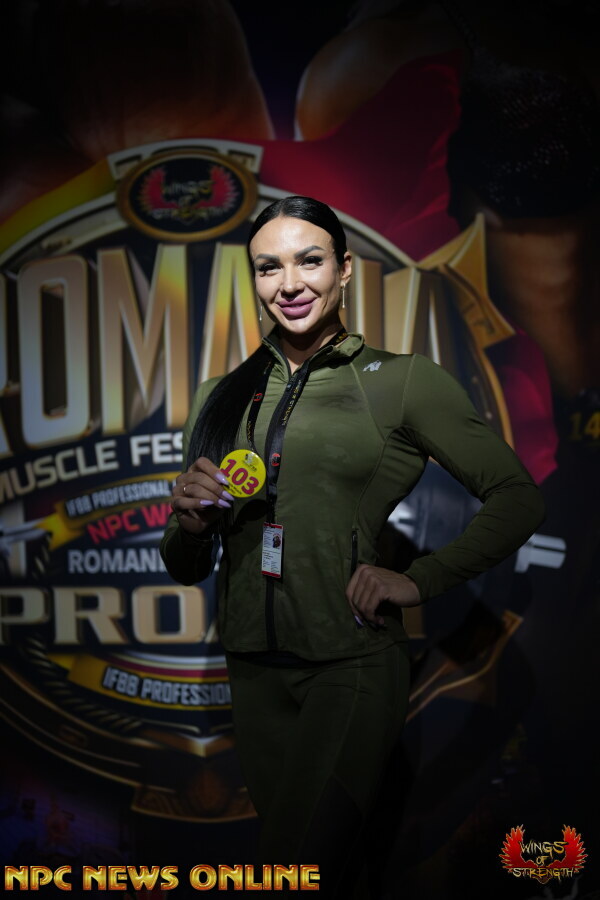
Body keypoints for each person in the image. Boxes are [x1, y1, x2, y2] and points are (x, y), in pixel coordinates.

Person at [160, 195, 545, 898]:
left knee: (290, 871)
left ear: (343, 269)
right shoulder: (222, 397)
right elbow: (186, 568)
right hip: (253, 674)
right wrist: (187, 525)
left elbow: (518, 497)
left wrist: (419, 578)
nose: (289, 284)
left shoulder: (400, 381)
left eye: (308, 261)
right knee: (317, 871)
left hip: (350, 666)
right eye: (269, 268)